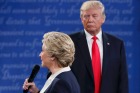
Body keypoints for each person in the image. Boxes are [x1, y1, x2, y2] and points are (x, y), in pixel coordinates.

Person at [69, 1, 129, 93]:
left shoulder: (117, 44)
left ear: (103, 18)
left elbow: (123, 80)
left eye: (94, 16)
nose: (90, 20)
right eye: (86, 16)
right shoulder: (69, 42)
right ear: (81, 19)